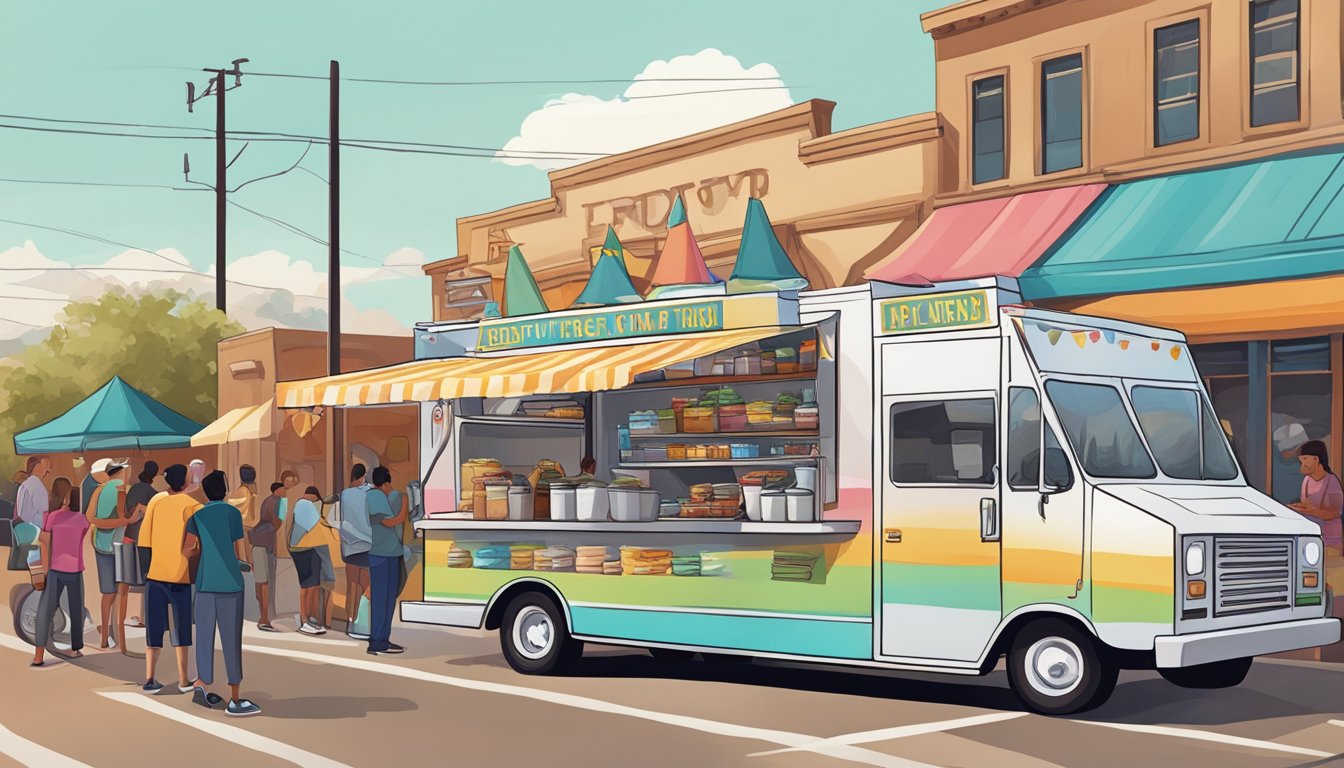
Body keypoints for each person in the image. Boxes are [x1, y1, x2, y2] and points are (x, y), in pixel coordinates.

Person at [184, 471, 260, 717]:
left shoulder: (198, 515)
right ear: (225, 490)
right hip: (230, 582)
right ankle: (235, 699)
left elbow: (187, 549)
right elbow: (240, 548)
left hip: (205, 582)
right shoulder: (232, 513)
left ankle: (202, 685)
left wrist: (204, 554)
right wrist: (245, 564)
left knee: (204, 636)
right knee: (231, 640)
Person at [139, 464, 201, 694]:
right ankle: (184, 679)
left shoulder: (157, 502)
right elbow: (195, 541)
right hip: (180, 574)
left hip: (155, 573)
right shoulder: (193, 506)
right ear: (185, 482)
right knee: (181, 627)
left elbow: (144, 540)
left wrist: (145, 570)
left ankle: (150, 678)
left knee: (154, 628)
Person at [32, 478, 87, 666]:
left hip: (55, 568)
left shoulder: (53, 517)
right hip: (75, 569)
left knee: (45, 609)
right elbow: (82, 534)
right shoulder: (82, 520)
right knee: (77, 609)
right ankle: (75, 649)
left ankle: (38, 655)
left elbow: (44, 537)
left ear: (66, 499)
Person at [86, 458, 138, 650]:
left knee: (107, 593)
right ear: (121, 472)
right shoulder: (121, 490)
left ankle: (105, 637)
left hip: (100, 543)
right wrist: (131, 518)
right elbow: (123, 518)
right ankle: (120, 638)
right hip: (118, 544)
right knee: (121, 590)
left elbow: (90, 517)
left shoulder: (99, 489)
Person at [1289, 440, 1344, 604]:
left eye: (1305, 458)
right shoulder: (1306, 481)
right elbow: (1306, 505)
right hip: (1312, 538)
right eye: (1301, 459)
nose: (1302, 463)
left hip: (1330, 540)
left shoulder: (1331, 482)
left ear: (1316, 459)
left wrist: (1313, 511)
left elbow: (1335, 513)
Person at [365, 467, 408, 655]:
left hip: (391, 553)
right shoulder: (375, 496)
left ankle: (383, 639)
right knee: (381, 600)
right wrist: (404, 505)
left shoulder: (382, 496)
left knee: (389, 599)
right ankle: (376, 642)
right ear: (386, 483)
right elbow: (390, 522)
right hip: (380, 554)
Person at [119, 461, 159, 635]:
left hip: (128, 535)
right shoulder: (154, 494)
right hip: (145, 540)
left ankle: (122, 617)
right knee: (147, 578)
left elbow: (127, 512)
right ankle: (145, 617)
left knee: (125, 579)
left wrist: (133, 515)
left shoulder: (134, 489)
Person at [339, 464, 372, 640]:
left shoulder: (345, 494)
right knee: (366, 585)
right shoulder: (369, 492)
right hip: (367, 543)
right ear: (364, 476)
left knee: (352, 585)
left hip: (349, 545)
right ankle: (362, 624)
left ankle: (350, 620)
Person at [289, 486, 326, 635]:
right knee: (307, 586)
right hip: (301, 549)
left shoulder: (311, 505)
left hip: (313, 548)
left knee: (315, 585)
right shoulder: (302, 506)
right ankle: (304, 620)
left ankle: (311, 618)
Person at [248, 482, 284, 632]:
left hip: (257, 542)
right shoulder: (279, 502)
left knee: (260, 582)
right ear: (277, 490)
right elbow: (277, 522)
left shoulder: (266, 501)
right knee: (265, 583)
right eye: (282, 489)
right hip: (266, 544)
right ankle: (264, 618)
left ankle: (262, 615)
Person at [15, 455, 51, 527]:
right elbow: (40, 515)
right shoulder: (37, 486)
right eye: (46, 466)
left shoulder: (25, 485)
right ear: (38, 466)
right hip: (33, 530)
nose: (48, 470)